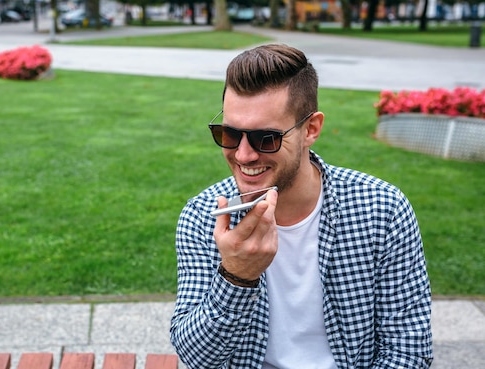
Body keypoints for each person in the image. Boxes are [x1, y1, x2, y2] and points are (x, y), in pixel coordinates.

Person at [170, 44, 433, 369]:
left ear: (311, 130)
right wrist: (236, 276)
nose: (243, 155)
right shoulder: (203, 216)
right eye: (229, 133)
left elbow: (407, 352)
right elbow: (196, 358)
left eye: (266, 138)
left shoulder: (382, 210)